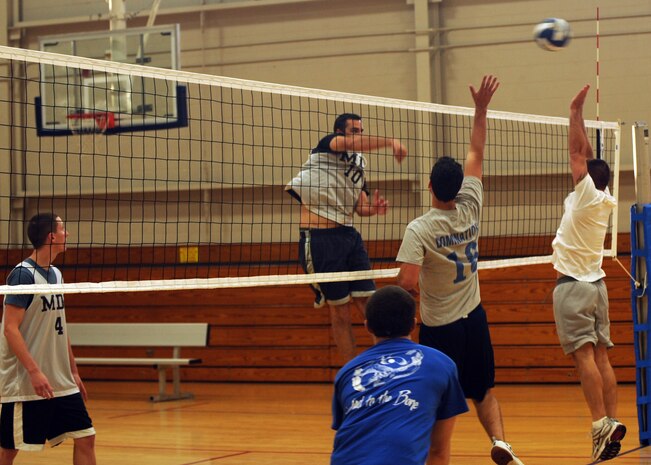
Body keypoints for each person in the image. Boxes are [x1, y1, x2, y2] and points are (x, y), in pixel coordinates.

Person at [396, 75, 525, 465]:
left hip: (442, 327)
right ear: (456, 187)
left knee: (437, 399)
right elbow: (477, 151)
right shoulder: (471, 205)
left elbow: (407, 284)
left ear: (429, 185)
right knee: (482, 389)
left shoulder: (420, 228)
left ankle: (435, 456)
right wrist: (481, 109)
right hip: (475, 318)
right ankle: (501, 442)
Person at [286, 113, 407, 362]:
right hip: (321, 239)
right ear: (340, 133)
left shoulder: (358, 163)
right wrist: (390, 141)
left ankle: (387, 368)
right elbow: (350, 144)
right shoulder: (327, 145)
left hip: (349, 236)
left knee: (370, 308)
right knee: (340, 312)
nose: (358, 135)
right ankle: (350, 374)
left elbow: (360, 207)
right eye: (354, 130)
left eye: (361, 130)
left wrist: (373, 209)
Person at [551, 85, 624, 462]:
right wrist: (580, 118)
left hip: (573, 287)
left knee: (583, 359)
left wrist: (573, 110)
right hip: (597, 287)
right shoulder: (604, 198)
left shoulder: (583, 197)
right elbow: (589, 158)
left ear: (585, 179)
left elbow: (578, 153)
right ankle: (611, 420)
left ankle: (599, 423)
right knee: (602, 358)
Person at [330, 285, 468, 465]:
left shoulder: (347, 373)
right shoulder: (442, 365)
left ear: (367, 326)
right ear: (413, 324)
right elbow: (438, 452)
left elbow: (349, 437)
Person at [0, 213, 96, 465]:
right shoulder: (22, 275)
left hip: (61, 380)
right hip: (26, 383)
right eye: (64, 229)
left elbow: (59, 328)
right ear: (51, 236)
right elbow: (10, 329)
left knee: (86, 436)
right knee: (9, 451)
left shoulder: (56, 274)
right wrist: (34, 372)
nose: (68, 234)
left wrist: (73, 371)